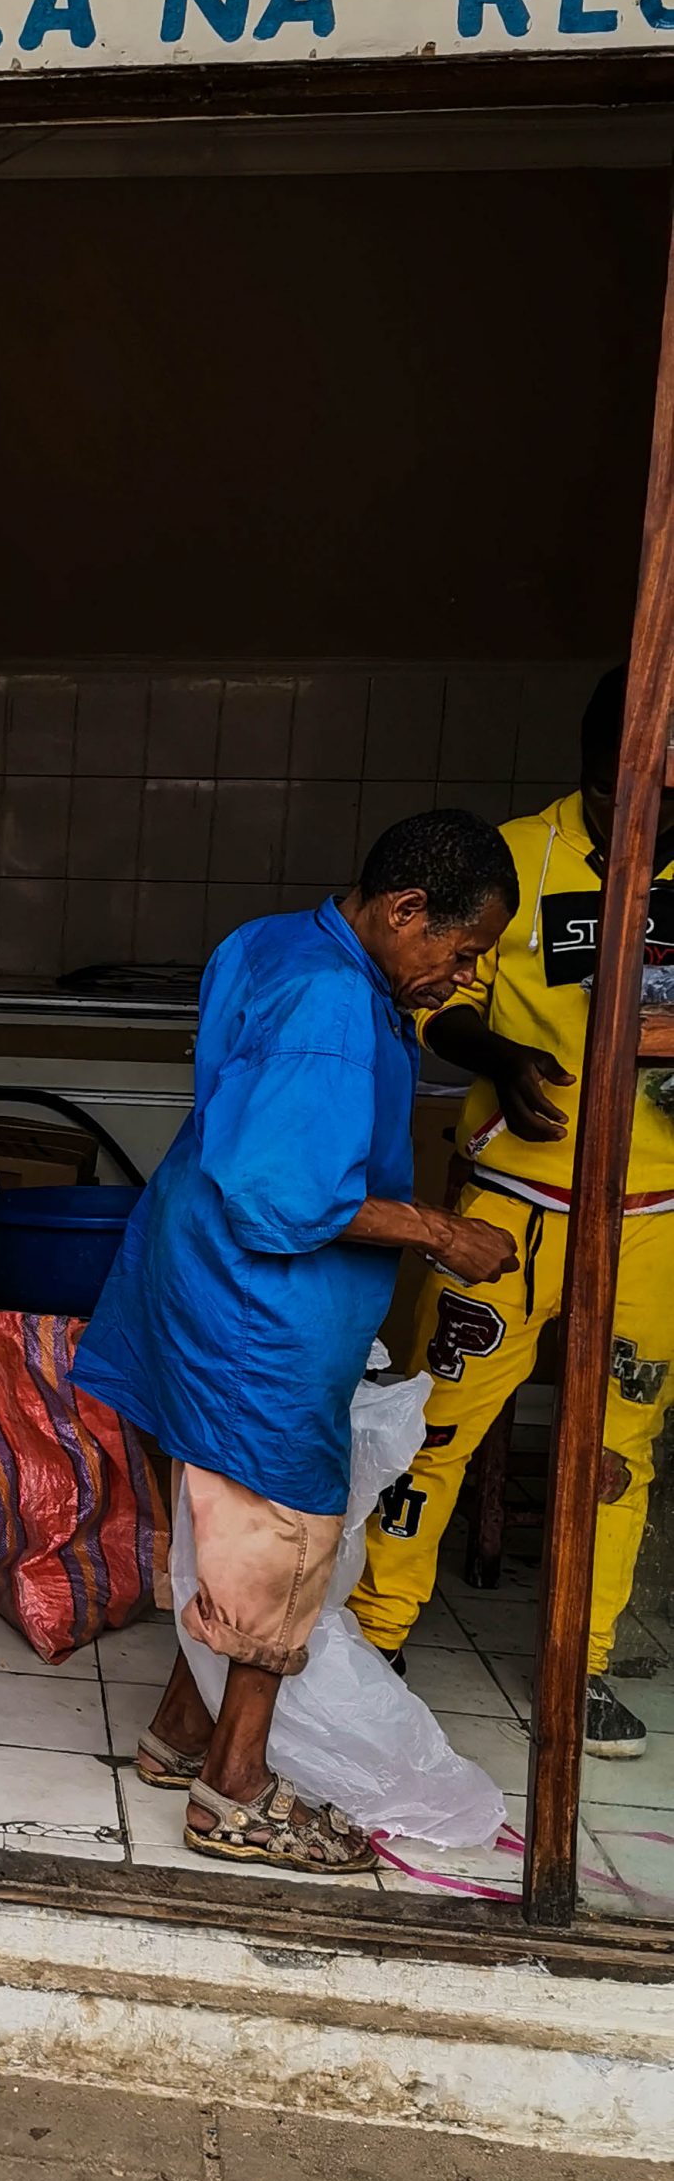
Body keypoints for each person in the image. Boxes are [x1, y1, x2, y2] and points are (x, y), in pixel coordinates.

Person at [74, 814, 520, 1870]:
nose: (465, 977)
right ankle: (235, 1792)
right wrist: (442, 1234)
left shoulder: (274, 941)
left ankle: (179, 1731)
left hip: (191, 1263)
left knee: (223, 1514)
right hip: (256, 1305)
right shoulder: (330, 1002)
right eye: (462, 951)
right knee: (282, 1534)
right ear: (405, 909)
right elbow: (282, 1200)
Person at [352, 670, 674, 1756]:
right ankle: (375, 1631)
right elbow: (436, 1001)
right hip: (514, 1201)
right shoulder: (517, 859)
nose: (637, 814)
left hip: (651, 1214)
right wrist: (495, 1053)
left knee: (619, 1448)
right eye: (617, 788)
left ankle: (580, 1665)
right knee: (431, 1424)